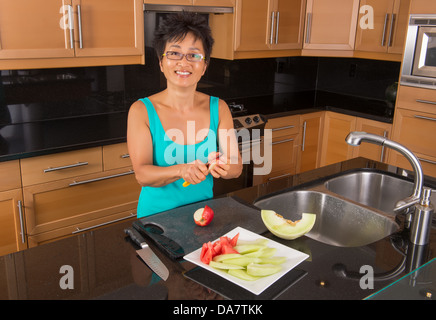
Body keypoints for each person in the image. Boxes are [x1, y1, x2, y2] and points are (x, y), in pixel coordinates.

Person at [127, 12, 242, 218]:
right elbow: (142, 175)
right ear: (161, 63)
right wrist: (181, 170)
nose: (184, 62)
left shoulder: (219, 107)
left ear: (204, 65)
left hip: (203, 216)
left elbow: (236, 167)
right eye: (174, 53)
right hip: (155, 220)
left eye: (194, 54)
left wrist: (222, 165)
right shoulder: (141, 110)